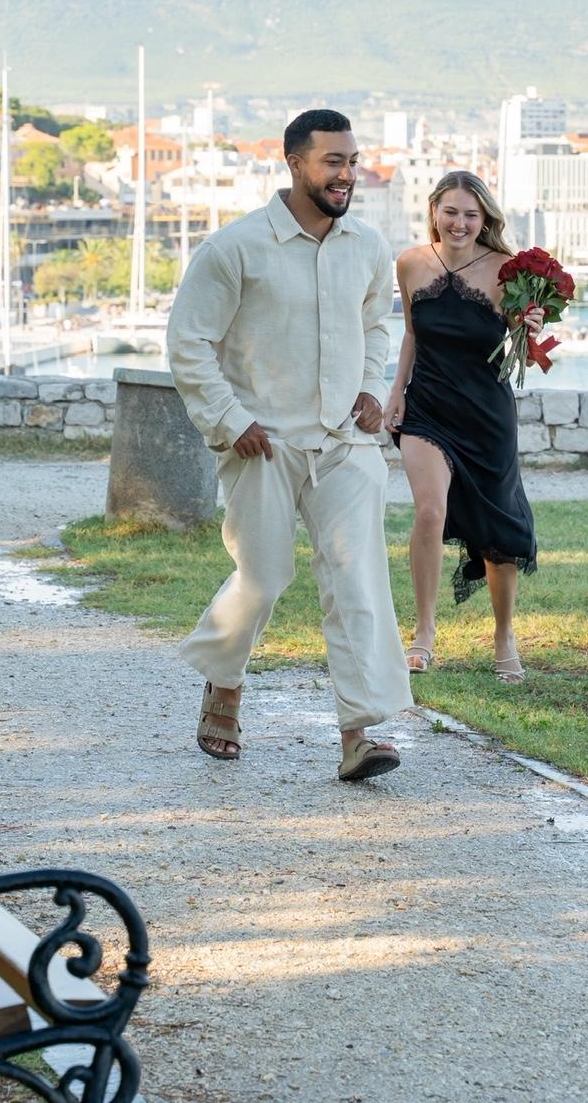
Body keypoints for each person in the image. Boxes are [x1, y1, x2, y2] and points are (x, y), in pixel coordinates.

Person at [167, 108, 412, 781]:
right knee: (264, 577)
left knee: (357, 580)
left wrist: (371, 387)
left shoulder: (368, 246)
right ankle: (224, 683)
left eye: (352, 161)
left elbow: (376, 327)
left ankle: (359, 732)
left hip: (346, 444)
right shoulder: (235, 248)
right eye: (333, 161)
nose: (346, 174)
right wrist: (230, 419)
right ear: (295, 163)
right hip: (263, 444)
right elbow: (189, 343)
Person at [383, 171, 543, 683]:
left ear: (484, 218)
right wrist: (396, 391)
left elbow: (523, 351)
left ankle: (504, 635)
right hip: (427, 407)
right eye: (450, 212)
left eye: (471, 215)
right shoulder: (410, 263)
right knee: (430, 511)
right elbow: (412, 334)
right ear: (434, 210)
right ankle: (424, 632)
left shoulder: (506, 271)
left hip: (486, 415)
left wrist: (532, 327)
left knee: (498, 530)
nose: (459, 223)